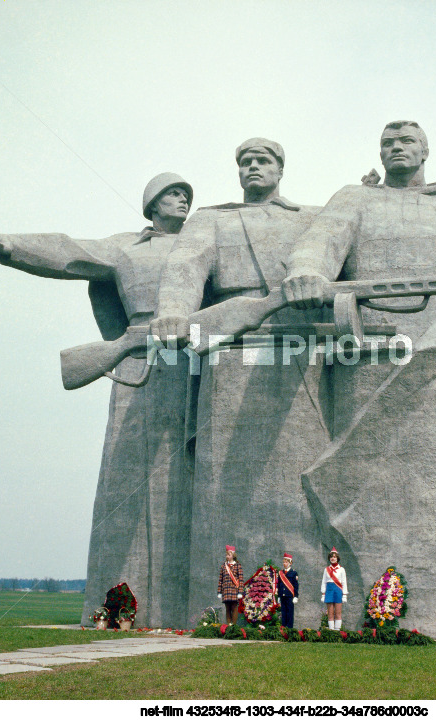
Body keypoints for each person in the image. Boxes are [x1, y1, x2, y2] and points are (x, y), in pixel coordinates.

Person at [282, 121, 436, 639]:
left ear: (425, 152)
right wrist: (306, 272)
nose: (397, 148)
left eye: (407, 141)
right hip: (369, 353)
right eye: (388, 142)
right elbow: (319, 244)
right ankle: (358, 609)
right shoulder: (355, 199)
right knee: (358, 477)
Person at [0, 173, 195, 629]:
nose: (183, 200)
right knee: (130, 475)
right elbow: (69, 251)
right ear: (151, 204)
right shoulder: (126, 247)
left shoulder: (204, 241)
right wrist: (10, 243)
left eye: (186, 194)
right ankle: (123, 602)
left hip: (199, 361)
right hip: (137, 363)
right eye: (172, 193)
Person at [151, 139, 329, 624]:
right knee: (223, 479)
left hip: (300, 349)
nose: (253, 167)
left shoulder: (312, 217)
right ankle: (224, 608)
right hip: (230, 350)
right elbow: (185, 269)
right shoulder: (213, 218)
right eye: (244, 162)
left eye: (262, 160)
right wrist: (171, 312)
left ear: (280, 169)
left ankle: (304, 607)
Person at [321, 548, 347, 630]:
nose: (333, 558)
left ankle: (337, 631)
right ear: (329, 558)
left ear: (337, 558)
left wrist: (344, 595)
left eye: (335, 557)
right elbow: (324, 582)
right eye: (331, 557)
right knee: (330, 613)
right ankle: (331, 631)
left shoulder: (341, 569)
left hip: (338, 591)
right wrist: (323, 594)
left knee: (338, 613)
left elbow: (344, 582)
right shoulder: (326, 569)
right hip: (329, 591)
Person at [217, 544, 244, 624]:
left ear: (233, 555)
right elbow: (220, 580)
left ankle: (234, 627)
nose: (227, 556)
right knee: (227, 609)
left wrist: (240, 592)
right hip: (226, 591)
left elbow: (241, 580)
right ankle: (229, 626)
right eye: (226, 554)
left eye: (229, 554)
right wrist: (219, 592)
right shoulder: (223, 566)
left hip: (234, 591)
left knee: (234, 608)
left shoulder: (238, 566)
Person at [277, 552, 299, 629]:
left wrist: (296, 596)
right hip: (283, 595)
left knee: (290, 613)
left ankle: (289, 629)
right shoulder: (280, 573)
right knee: (283, 612)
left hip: (290, 596)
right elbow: (279, 585)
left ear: (290, 563)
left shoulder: (294, 573)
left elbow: (296, 585)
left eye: (286, 562)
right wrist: (279, 596)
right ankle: (283, 628)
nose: (284, 564)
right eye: (283, 562)